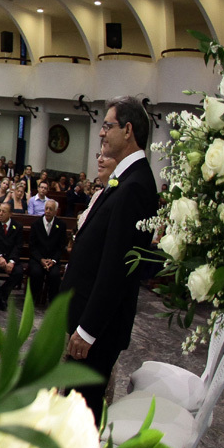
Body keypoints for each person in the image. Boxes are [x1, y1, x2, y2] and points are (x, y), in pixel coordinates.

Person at [61, 96, 159, 422]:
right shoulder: (126, 180)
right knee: (75, 409)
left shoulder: (136, 187)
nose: (101, 133)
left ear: (128, 130)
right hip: (90, 321)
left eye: (107, 125)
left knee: (82, 416)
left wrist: (88, 330)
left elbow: (117, 267)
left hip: (98, 330)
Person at [28, 198, 67, 307]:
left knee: (55, 275)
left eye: (51, 209)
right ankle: (33, 300)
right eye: (46, 208)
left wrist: (53, 260)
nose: (48, 211)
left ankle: (53, 303)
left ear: (55, 211)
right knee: (36, 273)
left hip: (52, 259)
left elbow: (61, 247)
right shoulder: (36, 224)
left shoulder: (61, 225)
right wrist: (41, 260)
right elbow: (32, 246)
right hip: (38, 259)